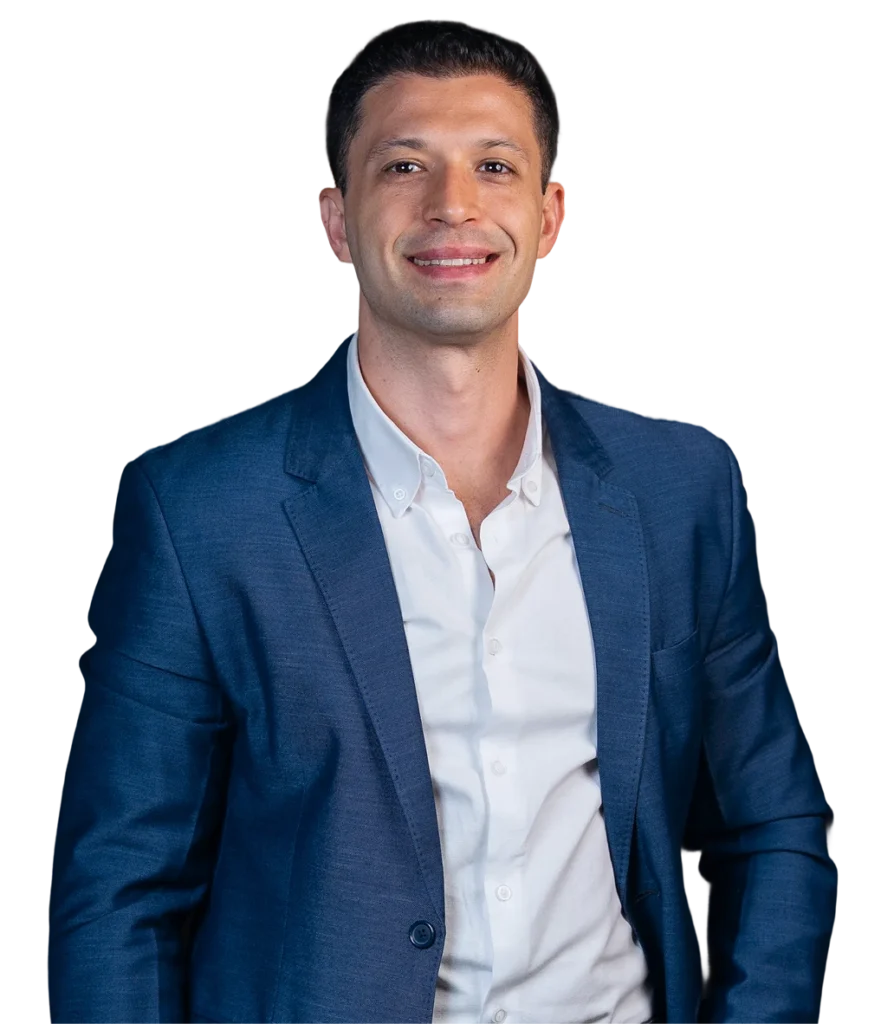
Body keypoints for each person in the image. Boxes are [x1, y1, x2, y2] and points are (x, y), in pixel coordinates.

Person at [47, 18, 837, 1024]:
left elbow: (771, 824)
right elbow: (121, 887)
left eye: (494, 166)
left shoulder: (682, 487)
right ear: (335, 219)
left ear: (551, 216)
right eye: (404, 165)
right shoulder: (198, 508)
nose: (452, 204)